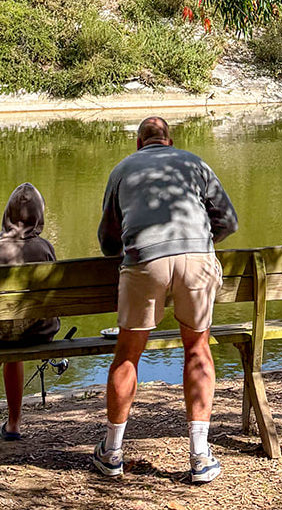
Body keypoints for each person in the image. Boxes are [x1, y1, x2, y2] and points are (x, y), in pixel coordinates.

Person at [93, 116, 238, 484]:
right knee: (197, 350)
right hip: (196, 263)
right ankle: (200, 456)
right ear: (169, 141)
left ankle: (112, 453)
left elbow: (109, 243)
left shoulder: (122, 170)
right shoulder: (195, 163)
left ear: (139, 144)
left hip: (145, 263)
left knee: (128, 354)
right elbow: (228, 222)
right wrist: (199, 240)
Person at [0, 183, 59, 439]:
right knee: (16, 326)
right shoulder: (44, 249)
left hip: (2, 335)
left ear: (6, 214)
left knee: (8, 330)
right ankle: (9, 419)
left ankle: (8, 417)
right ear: (39, 215)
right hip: (40, 331)